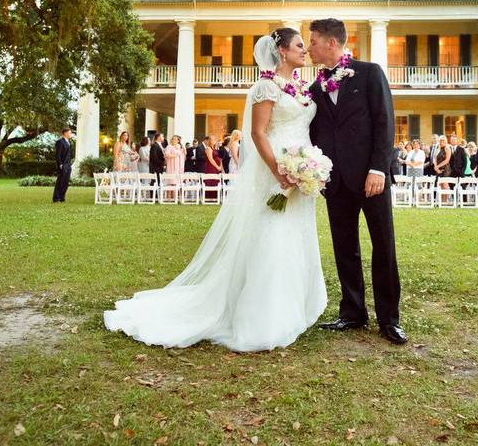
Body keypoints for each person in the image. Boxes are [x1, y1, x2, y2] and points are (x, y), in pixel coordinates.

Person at [105, 29, 326, 351]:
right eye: (298, 46)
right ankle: (265, 316)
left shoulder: (303, 89)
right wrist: (279, 169)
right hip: (276, 167)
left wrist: (309, 166)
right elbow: (258, 133)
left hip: (302, 165)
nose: (304, 51)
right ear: (280, 50)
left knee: (297, 230)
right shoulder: (266, 87)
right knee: (273, 229)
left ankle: (298, 305)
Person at [307, 17, 406, 345]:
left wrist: (378, 169)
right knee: (344, 247)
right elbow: (314, 132)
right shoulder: (314, 88)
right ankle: (352, 312)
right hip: (335, 182)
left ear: (331, 43)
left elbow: (384, 122)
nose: (309, 48)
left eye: (313, 42)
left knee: (383, 245)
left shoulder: (370, 73)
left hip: (371, 178)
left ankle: (389, 319)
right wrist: (314, 171)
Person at [52, 127, 73, 203]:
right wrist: (60, 164)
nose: (71, 134)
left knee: (66, 182)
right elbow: (58, 155)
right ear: (65, 133)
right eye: (70, 133)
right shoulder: (60, 142)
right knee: (60, 182)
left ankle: (62, 198)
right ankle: (56, 198)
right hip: (63, 165)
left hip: (68, 165)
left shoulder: (68, 142)